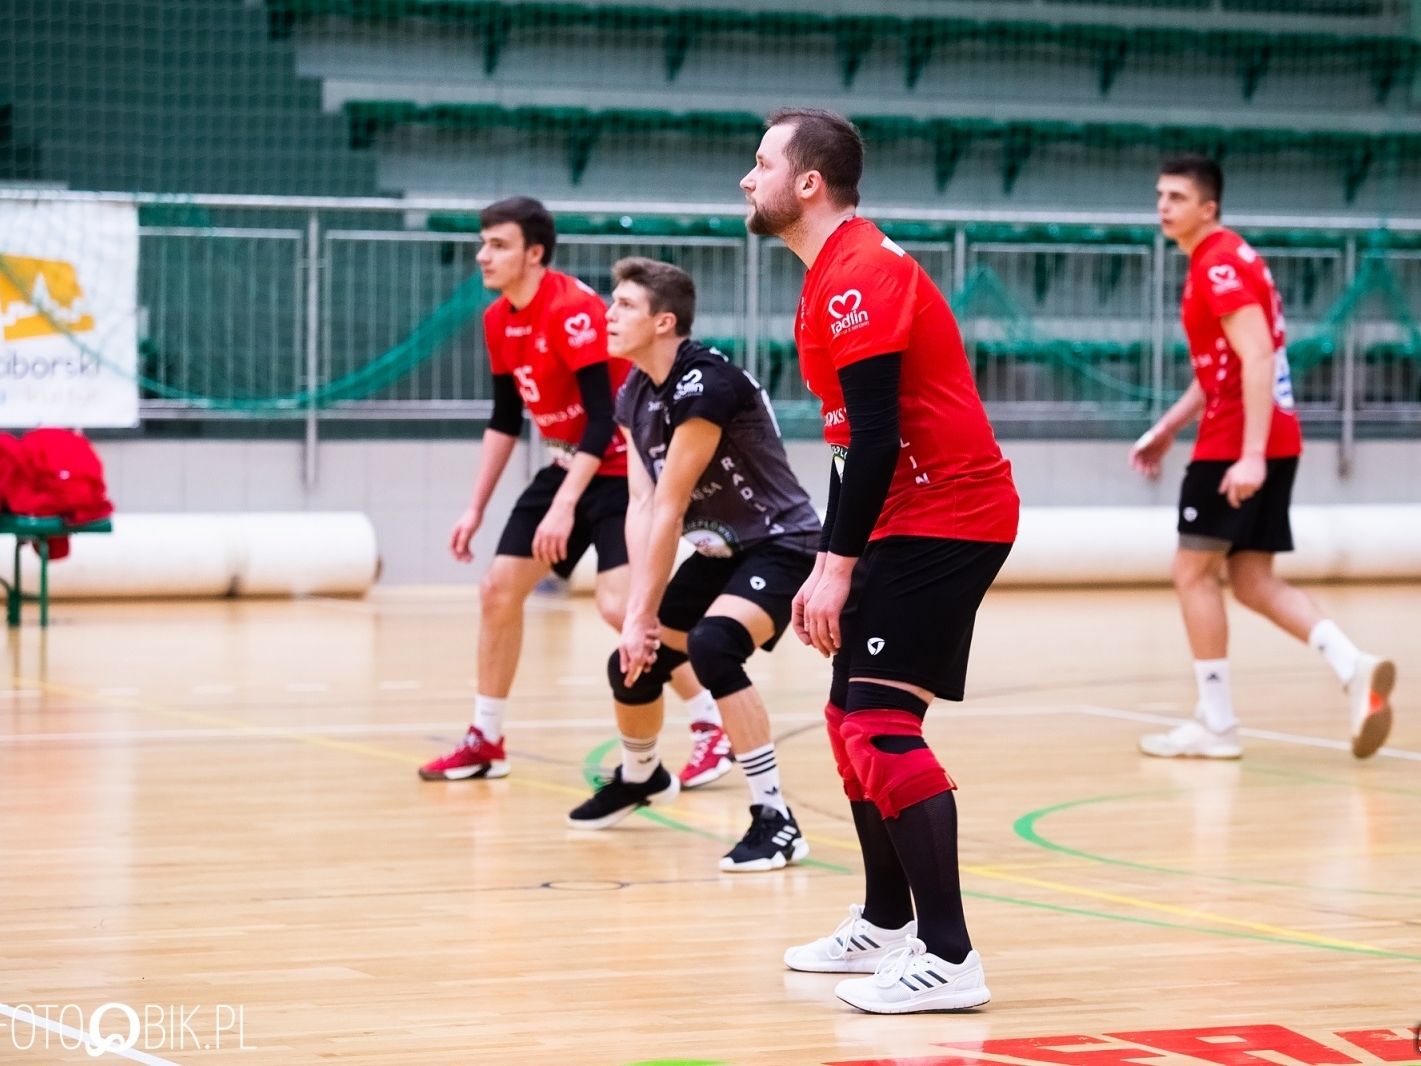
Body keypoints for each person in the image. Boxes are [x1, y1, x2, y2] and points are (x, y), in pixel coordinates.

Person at [742, 108, 1017, 1014]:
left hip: (948, 515)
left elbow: (878, 434)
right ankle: (886, 922)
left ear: (808, 183)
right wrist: (835, 557)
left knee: (881, 729)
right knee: (844, 720)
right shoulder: (829, 277)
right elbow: (845, 446)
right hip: (902, 517)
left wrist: (834, 563)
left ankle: (950, 956)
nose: (748, 181)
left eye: (762, 164)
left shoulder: (860, 272)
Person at [418, 198, 728, 785]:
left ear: (535, 254)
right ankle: (486, 739)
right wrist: (475, 507)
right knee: (496, 591)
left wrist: (565, 505)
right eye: (483, 243)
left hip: (618, 471)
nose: (483, 255)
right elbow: (506, 418)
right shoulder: (496, 319)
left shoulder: (573, 310)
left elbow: (599, 417)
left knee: (619, 608)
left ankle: (710, 724)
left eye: (499, 244)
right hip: (566, 466)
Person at [1129, 154, 1396, 761]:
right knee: (1251, 580)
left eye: (1176, 196)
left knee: (1191, 573)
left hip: (1237, 445)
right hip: (1270, 437)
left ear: (1209, 208)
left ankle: (1216, 722)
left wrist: (1247, 457)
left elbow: (1257, 359)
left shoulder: (1219, 266)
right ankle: (1353, 666)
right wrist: (1169, 427)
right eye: (1160, 195)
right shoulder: (1228, 259)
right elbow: (1221, 368)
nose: (1163, 206)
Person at [565, 256, 820, 874]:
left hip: (784, 543)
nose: (609, 314)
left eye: (624, 305)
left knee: (713, 645)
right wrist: (636, 618)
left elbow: (671, 506)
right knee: (634, 664)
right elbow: (641, 500)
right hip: (720, 549)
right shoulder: (634, 393)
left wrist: (642, 612)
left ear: (664, 322)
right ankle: (642, 776)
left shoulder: (704, 385)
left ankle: (775, 819)